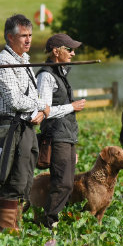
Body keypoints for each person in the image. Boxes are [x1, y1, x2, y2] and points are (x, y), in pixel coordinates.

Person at [0, 14, 50, 233]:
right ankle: (3, 230)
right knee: (14, 179)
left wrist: (40, 110)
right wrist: (42, 104)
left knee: (24, 179)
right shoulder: (2, 62)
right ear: (9, 37)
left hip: (26, 128)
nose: (28, 40)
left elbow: (29, 95)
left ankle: (15, 225)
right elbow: (15, 101)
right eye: (23, 35)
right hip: (9, 129)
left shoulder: (24, 59)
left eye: (30, 35)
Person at [36, 34, 86, 228]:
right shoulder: (46, 76)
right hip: (56, 136)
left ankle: (52, 219)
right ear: (56, 52)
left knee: (67, 183)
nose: (73, 53)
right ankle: (49, 222)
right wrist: (72, 106)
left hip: (66, 135)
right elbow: (45, 110)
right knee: (63, 183)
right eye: (69, 49)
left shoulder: (60, 73)